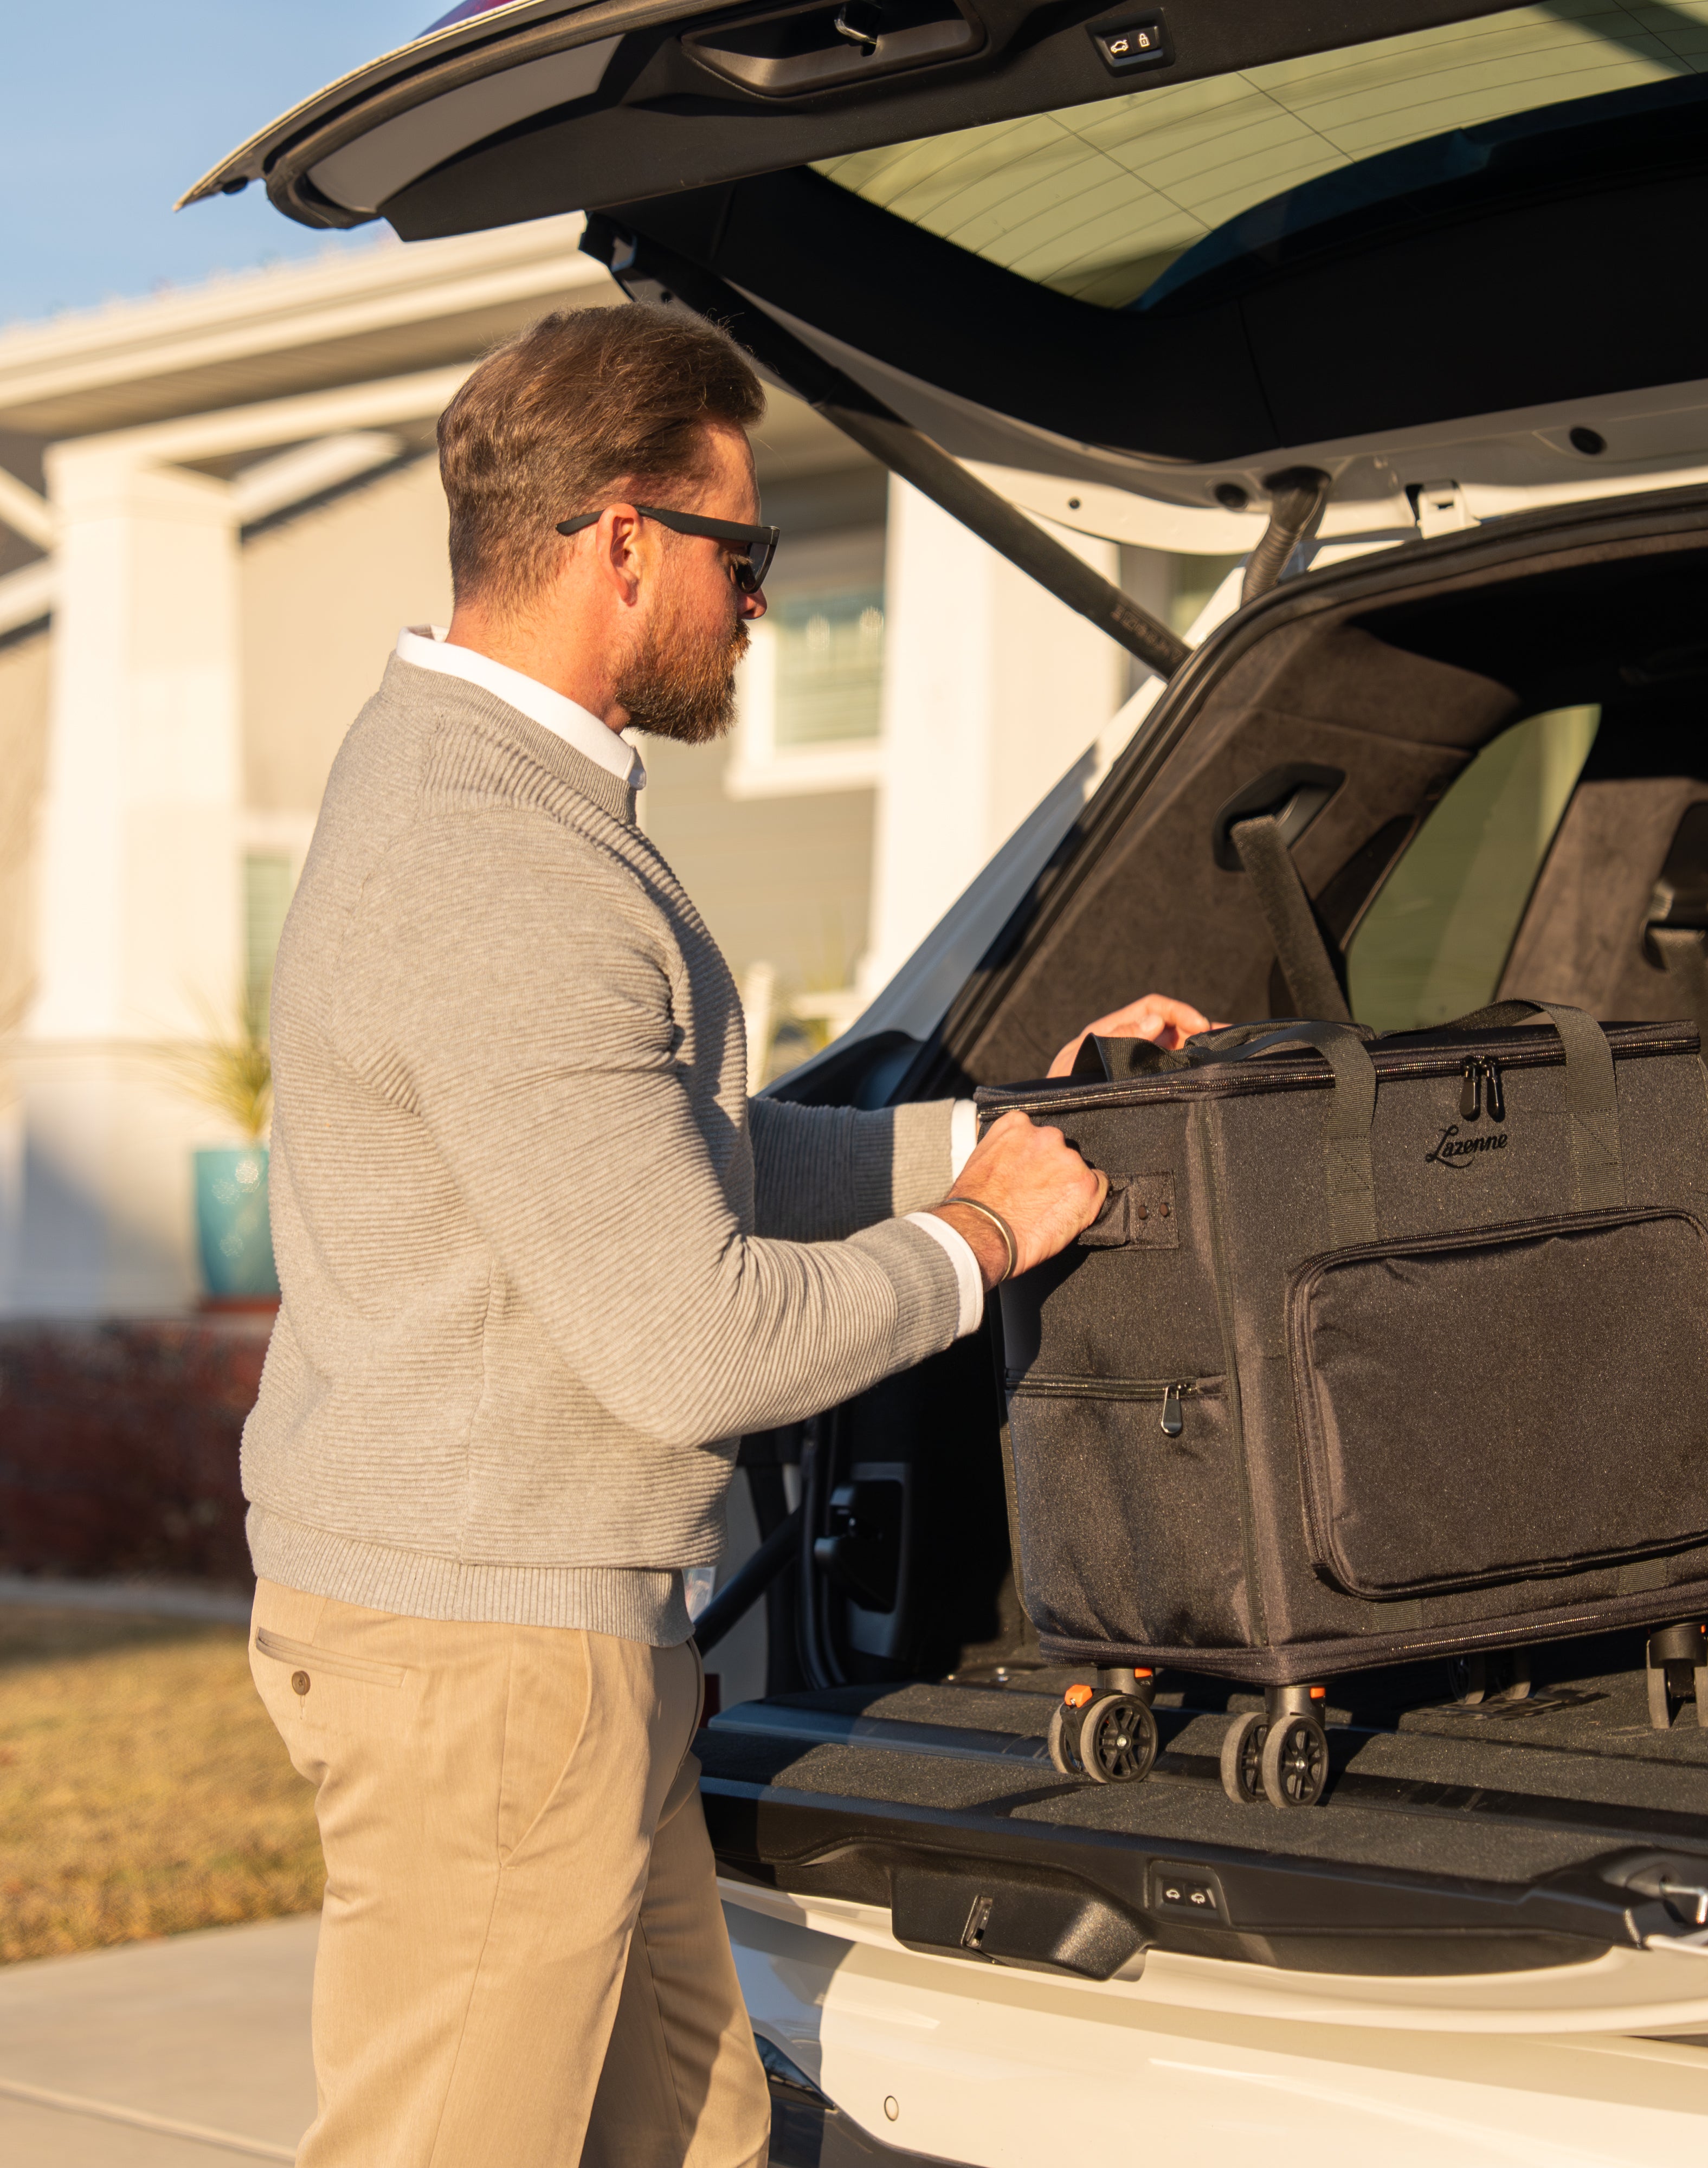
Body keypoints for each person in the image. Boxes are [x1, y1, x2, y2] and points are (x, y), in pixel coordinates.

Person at [240, 302, 1213, 2168]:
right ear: (624, 539)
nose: (757, 599)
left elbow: (680, 1155)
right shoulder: (502, 862)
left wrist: (1004, 1143)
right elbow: (699, 1342)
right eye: (742, 554)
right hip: (490, 1664)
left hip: (515, 1626)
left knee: (696, 2135)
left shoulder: (482, 785)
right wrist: (985, 1247)